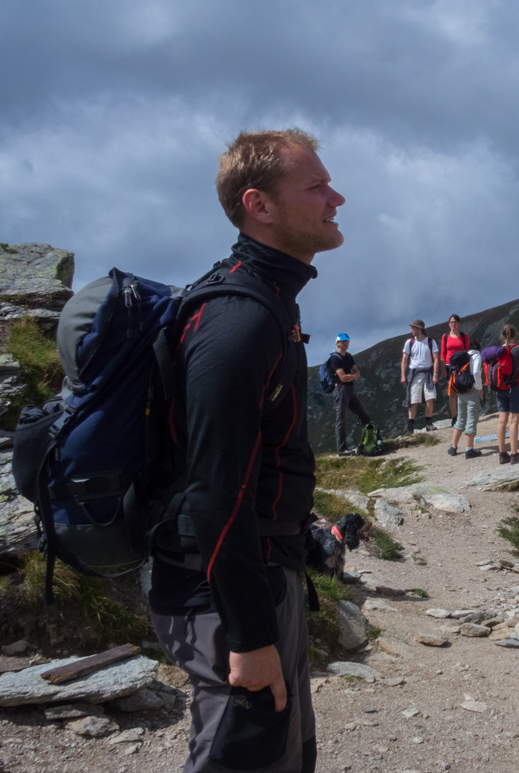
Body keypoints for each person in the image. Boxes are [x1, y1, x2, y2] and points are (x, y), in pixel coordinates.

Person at [150, 128, 341, 773]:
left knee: (284, 755)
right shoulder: (240, 320)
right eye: (315, 187)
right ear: (259, 205)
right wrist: (251, 635)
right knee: (243, 759)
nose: (335, 198)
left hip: (261, 572)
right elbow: (215, 489)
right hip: (227, 591)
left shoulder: (266, 302)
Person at [482, 324, 519, 464]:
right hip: (515, 388)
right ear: (515, 335)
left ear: (502, 336)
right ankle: (515, 454)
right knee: (514, 421)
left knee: (502, 421)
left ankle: (502, 454)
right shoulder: (518, 349)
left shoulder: (498, 352)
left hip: (500, 388)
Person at [326, 333, 372, 456]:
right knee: (341, 420)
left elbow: (357, 373)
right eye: (343, 341)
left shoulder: (349, 356)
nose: (346, 343)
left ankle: (367, 442)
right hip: (341, 390)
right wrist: (354, 376)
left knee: (365, 416)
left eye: (347, 341)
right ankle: (342, 450)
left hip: (349, 391)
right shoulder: (335, 359)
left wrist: (352, 376)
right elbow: (343, 378)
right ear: (338, 343)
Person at [401, 319, 440, 432]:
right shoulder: (410, 342)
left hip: (428, 372)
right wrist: (403, 375)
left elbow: (436, 358)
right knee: (413, 399)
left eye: (413, 328)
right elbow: (404, 359)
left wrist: (435, 374)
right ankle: (410, 426)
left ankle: (428, 423)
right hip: (415, 373)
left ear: (419, 329)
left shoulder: (431, 342)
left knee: (430, 397)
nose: (411, 330)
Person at [447, 343, 484, 459]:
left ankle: (453, 447)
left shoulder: (463, 357)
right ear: (478, 349)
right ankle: (469, 449)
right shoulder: (476, 356)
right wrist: (480, 388)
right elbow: (477, 372)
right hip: (472, 391)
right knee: (472, 419)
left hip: (460, 392)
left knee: (461, 419)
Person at [439, 315, 470, 423]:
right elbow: (443, 353)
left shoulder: (464, 336)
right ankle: (454, 417)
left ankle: (463, 415)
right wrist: (442, 369)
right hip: (449, 366)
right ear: (449, 324)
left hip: (462, 366)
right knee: (452, 392)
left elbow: (467, 351)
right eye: (451, 322)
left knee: (464, 389)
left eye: (455, 322)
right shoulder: (445, 336)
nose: (453, 324)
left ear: (459, 323)